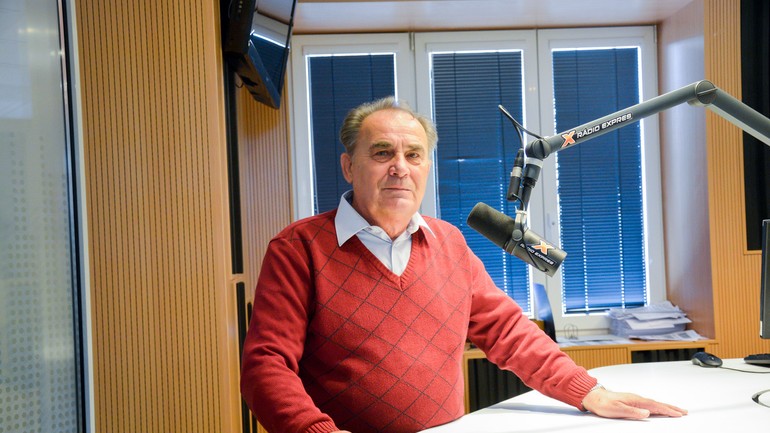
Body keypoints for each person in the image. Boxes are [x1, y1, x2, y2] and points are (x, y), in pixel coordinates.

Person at [240, 97, 687, 433]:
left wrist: (587, 391)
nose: (400, 168)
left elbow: (508, 332)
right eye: (382, 153)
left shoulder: (449, 243)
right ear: (348, 166)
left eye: (414, 155)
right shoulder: (299, 248)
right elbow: (266, 365)